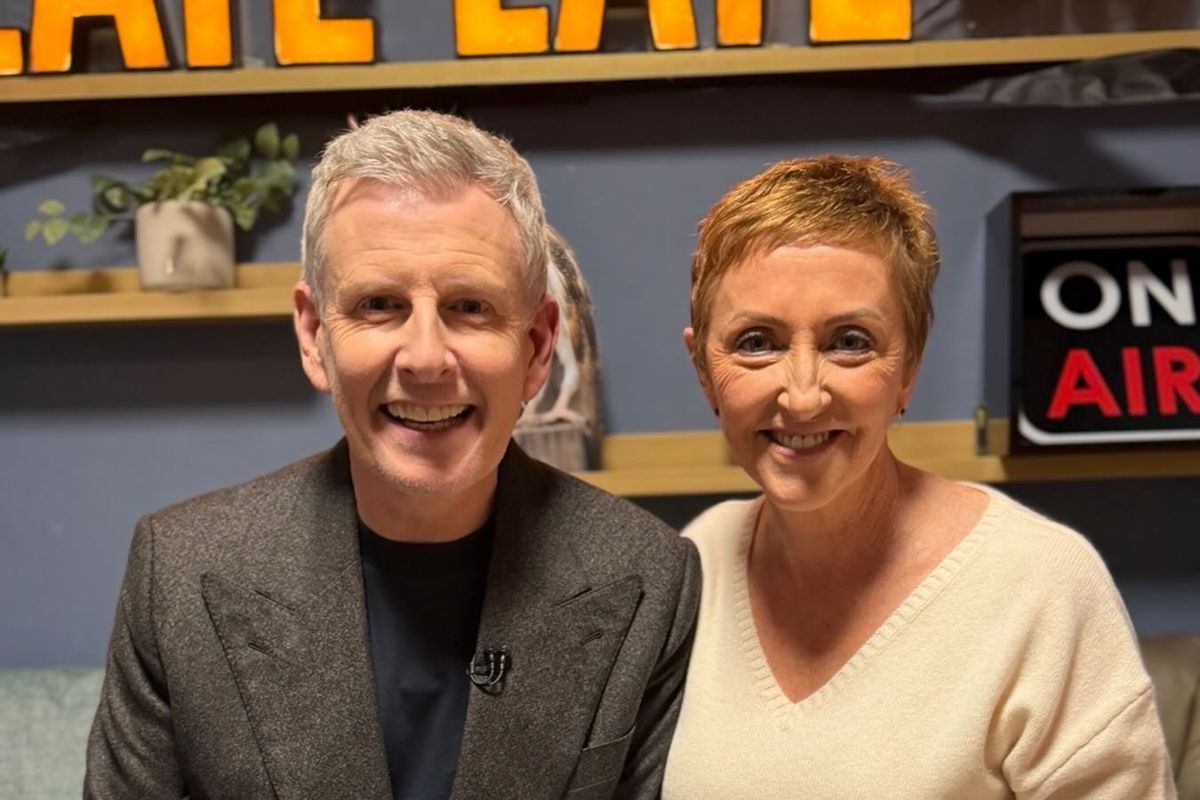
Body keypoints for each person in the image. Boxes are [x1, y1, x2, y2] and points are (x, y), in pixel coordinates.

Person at [85, 110, 700, 800]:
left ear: (535, 347)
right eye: (379, 304)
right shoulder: (180, 572)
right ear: (316, 335)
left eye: (470, 307)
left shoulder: (649, 577)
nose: (427, 359)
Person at [663, 156, 1176, 799]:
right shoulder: (697, 559)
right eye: (756, 342)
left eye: (850, 341)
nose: (801, 397)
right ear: (704, 369)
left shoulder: (1041, 583)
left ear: (909, 367)